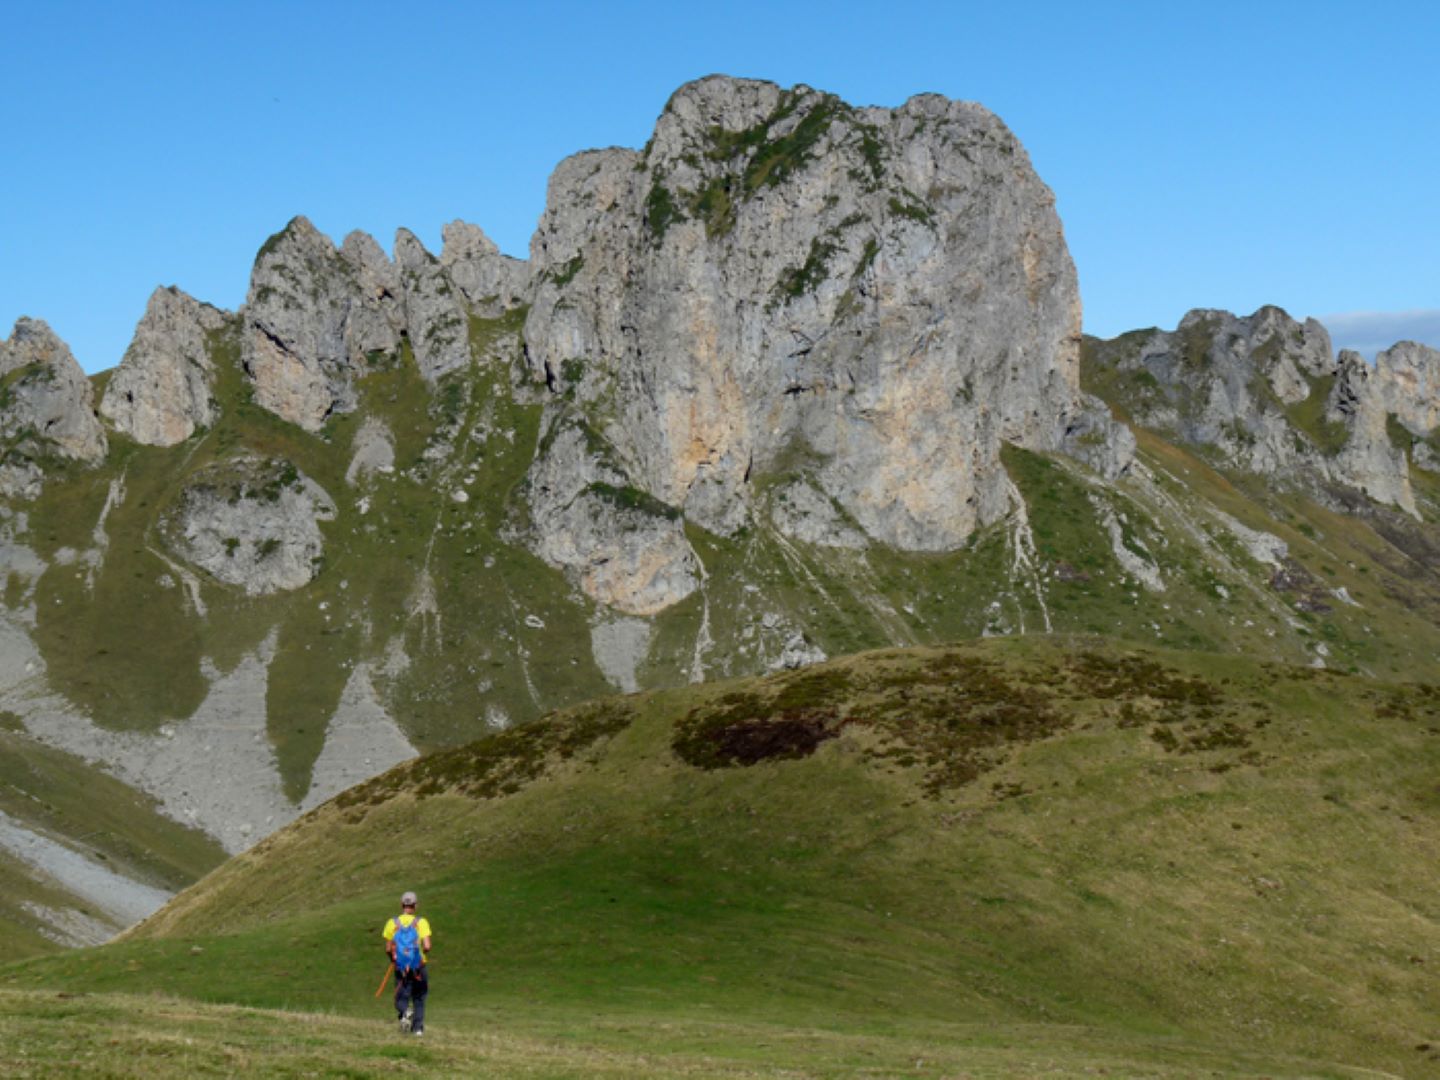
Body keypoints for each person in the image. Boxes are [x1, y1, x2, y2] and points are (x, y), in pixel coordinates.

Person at [382, 890, 433, 1037]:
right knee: (419, 997)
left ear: (402, 905)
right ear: (415, 905)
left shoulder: (392, 923)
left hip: (401, 966)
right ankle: (418, 1030)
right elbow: (427, 946)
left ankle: (405, 1011)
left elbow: (388, 948)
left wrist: (394, 959)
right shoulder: (421, 922)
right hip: (418, 966)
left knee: (400, 997)